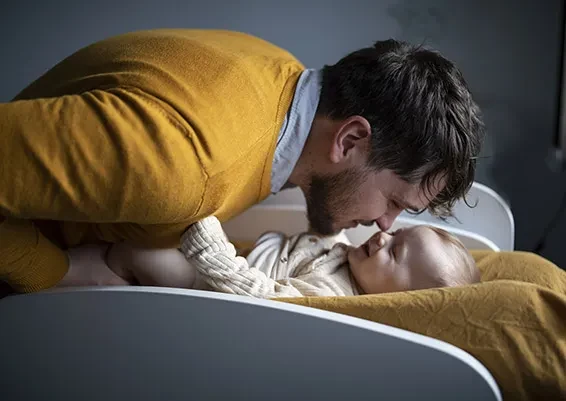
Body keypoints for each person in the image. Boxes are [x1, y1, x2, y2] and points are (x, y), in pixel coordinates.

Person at [0, 29, 484, 293]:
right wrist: (57, 272)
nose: (383, 222)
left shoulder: (277, 69)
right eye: (394, 200)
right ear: (351, 138)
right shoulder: (182, 164)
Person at [105, 216, 480, 298]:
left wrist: (207, 245)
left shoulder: (331, 296)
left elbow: (264, 297)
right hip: (233, 260)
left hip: (207, 283)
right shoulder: (354, 258)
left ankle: (69, 273)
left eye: (395, 252)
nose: (382, 236)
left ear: (399, 298)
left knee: (133, 252)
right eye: (396, 234)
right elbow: (329, 233)